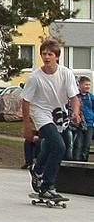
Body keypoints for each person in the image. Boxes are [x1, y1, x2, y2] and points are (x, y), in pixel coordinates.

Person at [22, 38, 81, 201]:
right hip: (41, 113)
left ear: (56, 56)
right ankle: (48, 185)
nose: (46, 57)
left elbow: (74, 97)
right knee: (59, 147)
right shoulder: (35, 77)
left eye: (50, 54)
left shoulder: (65, 73)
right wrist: (27, 126)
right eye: (44, 54)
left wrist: (76, 112)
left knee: (49, 146)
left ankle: (38, 170)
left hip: (58, 114)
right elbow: (25, 101)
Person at [72, 76, 93, 161]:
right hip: (79, 124)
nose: (87, 86)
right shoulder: (75, 97)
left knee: (87, 145)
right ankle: (77, 161)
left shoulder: (91, 97)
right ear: (80, 85)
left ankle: (84, 161)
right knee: (78, 144)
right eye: (86, 85)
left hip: (90, 124)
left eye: (89, 85)